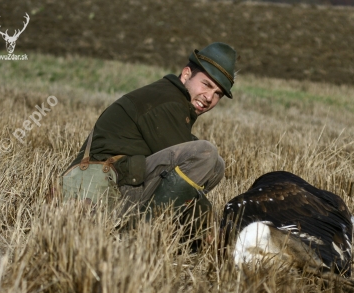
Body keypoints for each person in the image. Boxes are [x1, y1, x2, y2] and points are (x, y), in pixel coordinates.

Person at [63, 42, 237, 233]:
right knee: (205, 153)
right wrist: (208, 226)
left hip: (124, 179)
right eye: (206, 85)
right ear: (186, 74)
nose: (209, 97)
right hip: (103, 190)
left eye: (217, 94)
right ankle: (139, 234)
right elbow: (188, 167)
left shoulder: (171, 97)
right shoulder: (169, 102)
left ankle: (169, 230)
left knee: (216, 164)